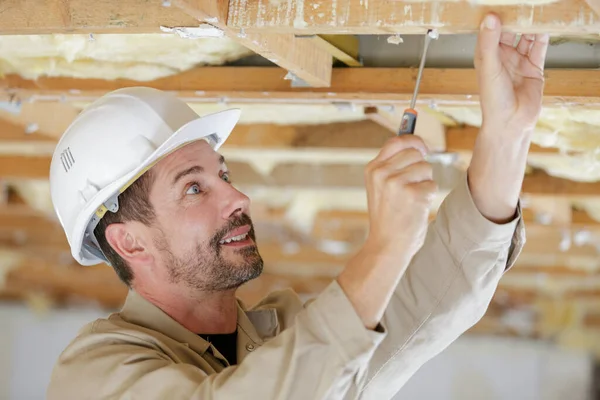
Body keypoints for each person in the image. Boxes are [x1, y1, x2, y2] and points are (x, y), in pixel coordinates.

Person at [46, 14, 547, 399]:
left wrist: (508, 133)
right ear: (129, 240)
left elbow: (431, 302)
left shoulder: (278, 335)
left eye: (223, 175)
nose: (238, 198)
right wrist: (385, 247)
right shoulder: (97, 374)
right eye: (194, 188)